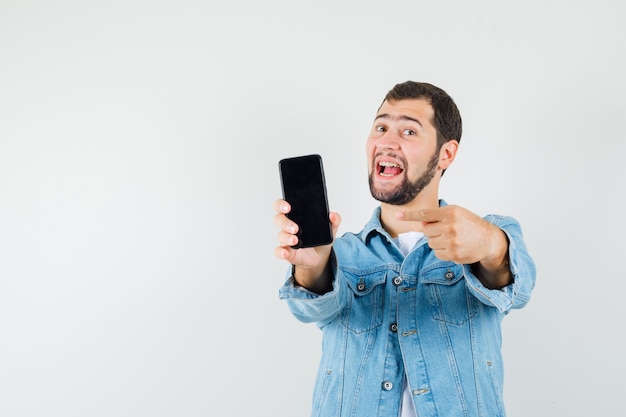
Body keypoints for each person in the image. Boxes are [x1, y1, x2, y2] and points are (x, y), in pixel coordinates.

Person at [273, 81, 536, 417]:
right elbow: (309, 309)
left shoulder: (483, 237)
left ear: (446, 153)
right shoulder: (342, 255)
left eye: (408, 131)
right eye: (381, 127)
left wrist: (488, 244)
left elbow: (517, 286)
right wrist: (311, 266)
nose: (386, 141)